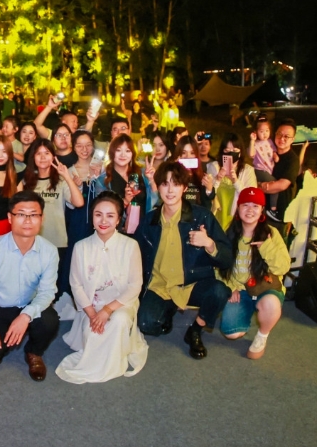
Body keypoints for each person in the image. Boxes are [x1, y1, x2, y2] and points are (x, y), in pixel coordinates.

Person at [136, 161, 233, 360]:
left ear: (185, 188)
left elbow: (227, 258)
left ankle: (196, 329)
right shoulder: (149, 220)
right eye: (165, 184)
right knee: (146, 324)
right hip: (160, 285)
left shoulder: (201, 217)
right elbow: (135, 254)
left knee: (219, 291)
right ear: (158, 187)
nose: (170, 190)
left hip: (191, 283)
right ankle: (168, 308)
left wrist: (209, 244)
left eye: (176, 184)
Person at [56, 191, 148, 384]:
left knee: (119, 320)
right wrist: (92, 314)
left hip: (121, 303)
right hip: (91, 305)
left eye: (110, 215)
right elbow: (76, 284)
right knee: (93, 332)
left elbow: (135, 285)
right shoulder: (81, 247)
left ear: (118, 219)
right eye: (98, 215)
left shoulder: (130, 246)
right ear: (92, 217)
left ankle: (111, 363)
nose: (103, 221)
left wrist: (107, 310)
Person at [0, 191, 61, 381]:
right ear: (10, 217)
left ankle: (34, 351)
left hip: (29, 305)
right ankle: (7, 334)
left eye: (33, 214)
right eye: (21, 214)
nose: (27, 220)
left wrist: (26, 316)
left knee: (50, 320)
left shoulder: (49, 251)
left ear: (42, 218)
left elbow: (47, 292)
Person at [218, 187, 291, 360]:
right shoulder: (229, 233)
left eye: (255, 206)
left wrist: (266, 247)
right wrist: (229, 287)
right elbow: (218, 265)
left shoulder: (271, 233)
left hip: (264, 288)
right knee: (231, 333)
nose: (250, 210)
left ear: (262, 210)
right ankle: (249, 310)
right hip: (240, 290)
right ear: (238, 208)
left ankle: (262, 335)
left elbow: (283, 267)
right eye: (245, 205)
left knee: (271, 304)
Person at [20, 139, 85, 294]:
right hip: (31, 243)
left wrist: (67, 176)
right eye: (38, 154)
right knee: (30, 287)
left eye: (47, 153)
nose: (43, 157)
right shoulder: (26, 181)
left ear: (53, 156)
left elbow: (79, 202)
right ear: (33, 158)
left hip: (57, 242)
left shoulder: (61, 181)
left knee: (50, 290)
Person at [208, 133, 258, 230]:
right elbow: (208, 193)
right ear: (222, 151)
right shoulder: (213, 167)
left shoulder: (248, 170)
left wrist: (235, 181)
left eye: (235, 151)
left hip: (237, 219)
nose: (231, 154)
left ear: (240, 152)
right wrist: (217, 179)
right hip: (216, 216)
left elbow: (251, 197)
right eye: (227, 151)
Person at [258, 119, 300, 222]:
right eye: (279, 134)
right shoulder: (268, 152)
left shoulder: (293, 160)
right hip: (261, 209)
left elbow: (282, 185)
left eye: (286, 136)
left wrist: (257, 186)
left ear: (292, 139)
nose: (282, 139)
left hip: (278, 214)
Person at [103, 134, 145, 232]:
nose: (123, 155)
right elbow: (103, 209)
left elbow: (152, 201)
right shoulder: (104, 179)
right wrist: (125, 201)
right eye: (118, 150)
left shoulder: (141, 173)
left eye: (127, 151)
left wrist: (151, 180)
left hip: (143, 230)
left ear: (132, 154)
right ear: (112, 152)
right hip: (117, 231)